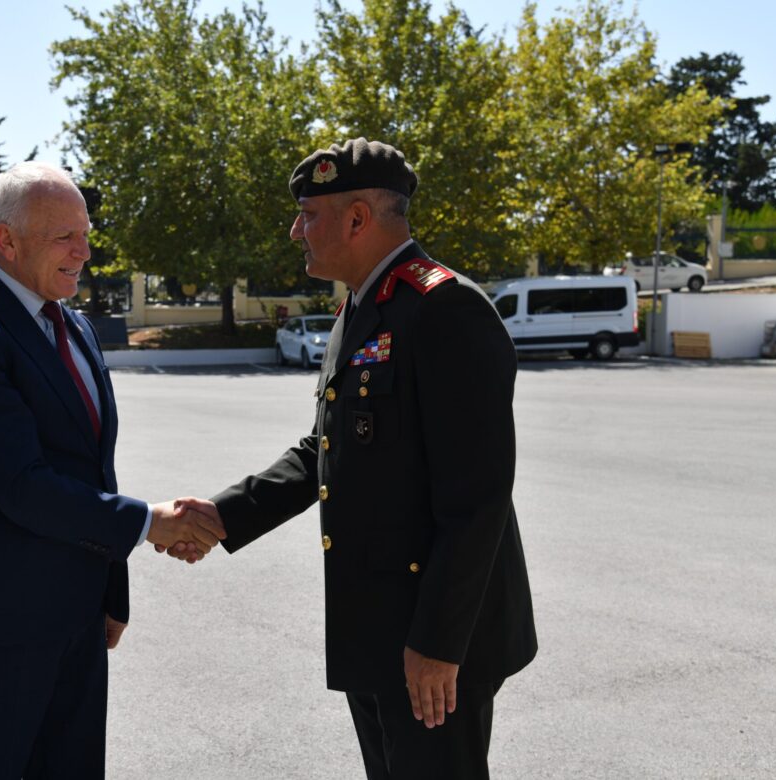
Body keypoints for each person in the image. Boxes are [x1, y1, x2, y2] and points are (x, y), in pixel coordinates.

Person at [175, 138, 537, 778]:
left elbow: (477, 500)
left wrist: (436, 643)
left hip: (432, 640)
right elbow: (328, 447)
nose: (296, 231)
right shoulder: (362, 306)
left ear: (358, 219)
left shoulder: (444, 308)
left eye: (308, 215)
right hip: (377, 627)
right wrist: (224, 515)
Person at [0, 161, 225, 779]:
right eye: (65, 237)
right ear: (7, 240)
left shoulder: (74, 325)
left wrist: (111, 593)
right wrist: (151, 523)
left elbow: (91, 471)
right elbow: (21, 485)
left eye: (86, 233)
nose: (84, 252)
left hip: (78, 617)